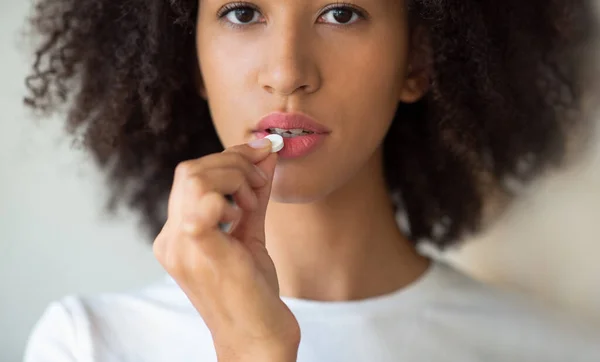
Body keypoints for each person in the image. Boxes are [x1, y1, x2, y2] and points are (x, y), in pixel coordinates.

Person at [21, 0, 600, 361]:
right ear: (189, 57)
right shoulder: (89, 345)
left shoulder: (556, 351)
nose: (287, 73)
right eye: (243, 12)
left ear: (417, 61)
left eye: (341, 12)